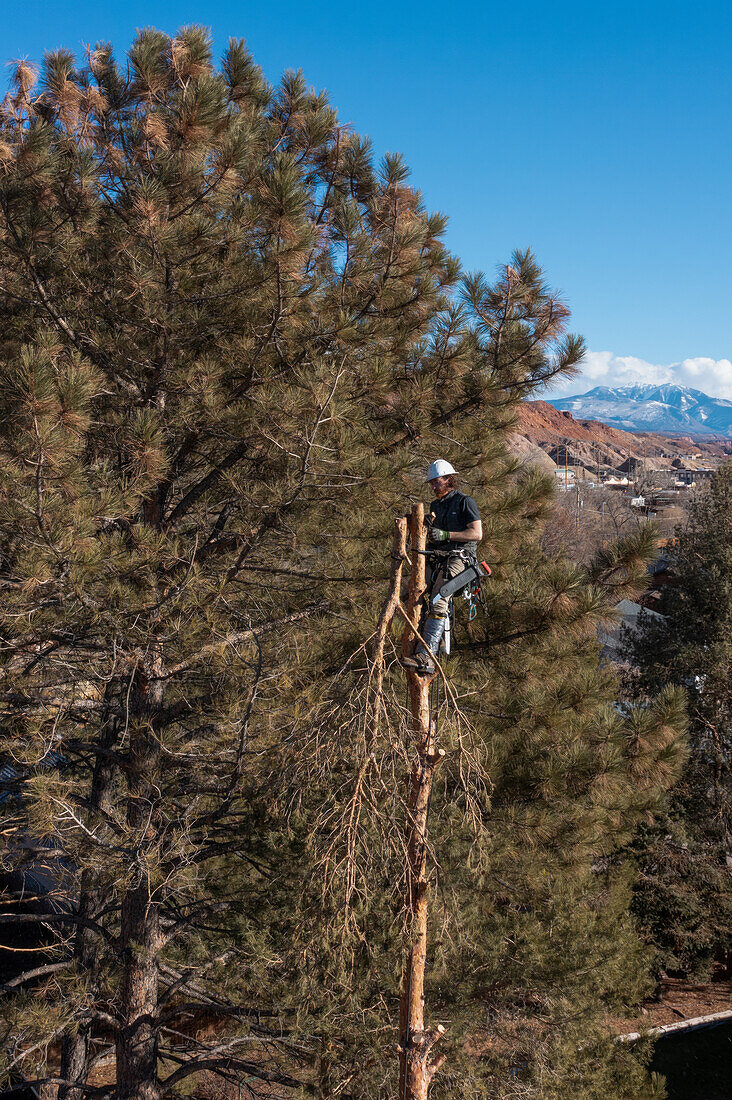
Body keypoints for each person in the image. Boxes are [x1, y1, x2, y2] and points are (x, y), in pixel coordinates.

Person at [402, 459, 482, 674]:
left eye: (438, 482)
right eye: (432, 484)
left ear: (449, 479)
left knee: (439, 597)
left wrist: (448, 534)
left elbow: (476, 534)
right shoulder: (437, 505)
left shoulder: (465, 502)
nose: (434, 487)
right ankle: (428, 639)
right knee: (413, 590)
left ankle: (426, 656)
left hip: (460, 558)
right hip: (437, 556)